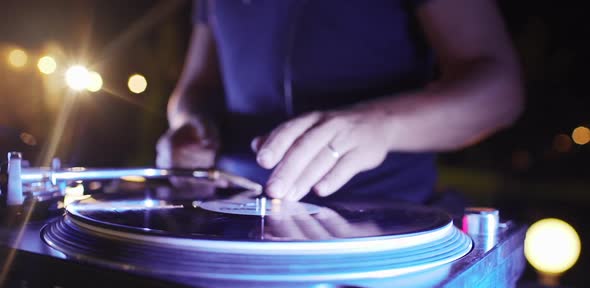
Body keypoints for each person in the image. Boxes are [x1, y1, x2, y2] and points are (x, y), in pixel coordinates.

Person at [156, 0, 523, 205]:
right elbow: (196, 86)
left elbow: (500, 90)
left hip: (378, 222)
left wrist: (380, 123)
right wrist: (190, 125)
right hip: (232, 217)